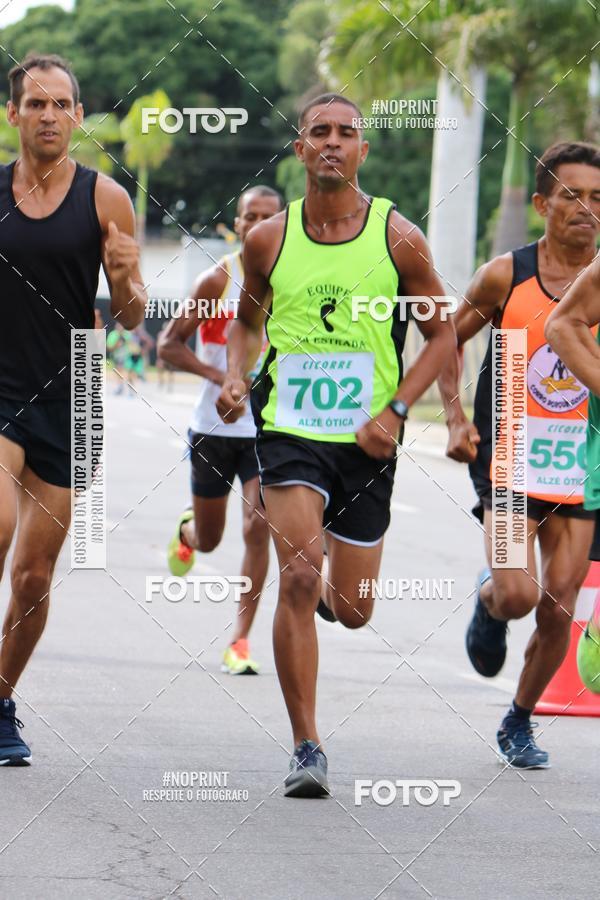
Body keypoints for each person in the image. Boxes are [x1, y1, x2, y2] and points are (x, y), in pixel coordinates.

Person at [217, 93, 455, 796]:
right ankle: (306, 746)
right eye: (317, 132)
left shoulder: (398, 237)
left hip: (367, 441)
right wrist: (235, 375)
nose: (331, 143)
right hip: (290, 428)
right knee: (295, 575)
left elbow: (442, 333)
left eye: (345, 133)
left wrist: (399, 409)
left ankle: (330, 592)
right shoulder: (267, 240)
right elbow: (245, 324)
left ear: (362, 151)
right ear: (298, 150)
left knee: (352, 609)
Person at [0, 54, 146, 765]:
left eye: (61, 104)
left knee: (32, 575)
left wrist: (123, 282)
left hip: (76, 388)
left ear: (79, 117)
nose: (49, 115)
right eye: (35, 104)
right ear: (13, 115)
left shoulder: (105, 199)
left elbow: (127, 313)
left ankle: (0, 701)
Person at [439, 141, 600, 769]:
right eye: (572, 195)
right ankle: (489, 599)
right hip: (508, 457)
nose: (587, 208)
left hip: (581, 465)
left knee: (559, 605)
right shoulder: (508, 275)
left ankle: (520, 720)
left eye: (598, 198)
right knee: (519, 595)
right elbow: (446, 340)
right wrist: (453, 416)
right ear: (541, 204)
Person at [158, 186, 283, 674]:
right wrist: (224, 378)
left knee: (259, 526)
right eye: (249, 216)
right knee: (211, 538)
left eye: (267, 217)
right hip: (212, 427)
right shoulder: (218, 280)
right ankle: (187, 531)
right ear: (238, 223)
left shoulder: (294, 283)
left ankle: (241, 640)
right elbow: (169, 345)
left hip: (267, 429)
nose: (257, 224)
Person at [545, 253, 600, 562]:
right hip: (515, 462)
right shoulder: (505, 273)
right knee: (515, 589)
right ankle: (493, 601)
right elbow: (562, 326)